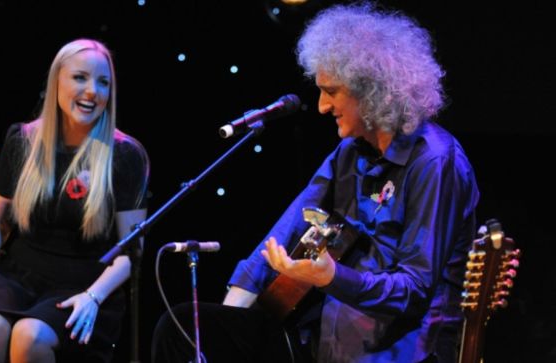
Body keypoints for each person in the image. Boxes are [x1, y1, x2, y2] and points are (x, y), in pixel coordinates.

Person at [152, 3, 479, 363]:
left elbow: (414, 289)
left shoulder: (434, 161)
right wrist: (224, 322)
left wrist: (333, 276)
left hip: (399, 348)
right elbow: (289, 228)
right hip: (325, 336)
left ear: (370, 91)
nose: (322, 106)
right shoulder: (349, 154)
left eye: (332, 91)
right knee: (182, 327)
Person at [0, 38, 149, 363]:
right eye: (80, 78)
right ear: (56, 80)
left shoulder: (125, 155)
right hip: (20, 272)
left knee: (30, 338)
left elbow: (132, 252)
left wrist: (94, 296)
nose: (92, 92)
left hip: (86, 282)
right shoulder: (23, 141)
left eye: (103, 82)